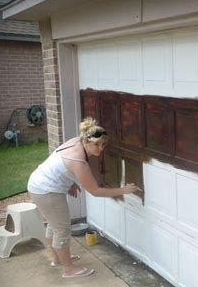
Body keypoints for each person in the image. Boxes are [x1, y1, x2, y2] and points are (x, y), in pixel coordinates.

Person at [27, 117, 137, 278]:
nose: (100, 149)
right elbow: (96, 191)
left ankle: (58, 259)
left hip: (39, 184)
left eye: (103, 144)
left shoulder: (75, 141)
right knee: (62, 230)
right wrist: (123, 190)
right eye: (96, 144)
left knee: (54, 224)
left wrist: (69, 182)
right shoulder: (79, 162)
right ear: (86, 141)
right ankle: (68, 269)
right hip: (46, 191)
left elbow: (60, 164)